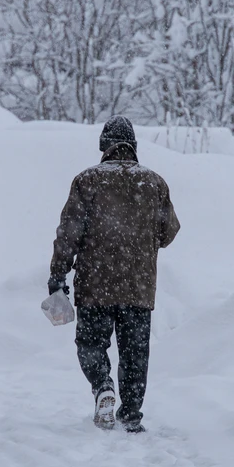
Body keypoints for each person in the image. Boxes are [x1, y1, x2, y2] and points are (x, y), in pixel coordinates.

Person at [48, 116, 180, 433]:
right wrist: (141, 240)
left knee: (91, 344)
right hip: (138, 285)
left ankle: (102, 387)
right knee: (135, 353)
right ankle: (131, 414)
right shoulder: (154, 183)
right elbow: (169, 231)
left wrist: (57, 275)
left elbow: (68, 235)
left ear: (103, 147)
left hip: (95, 283)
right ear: (133, 146)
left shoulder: (86, 181)